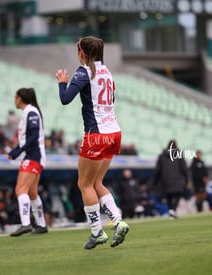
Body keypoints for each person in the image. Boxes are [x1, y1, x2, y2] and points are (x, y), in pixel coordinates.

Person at [56, 36, 129, 249]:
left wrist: (62, 82)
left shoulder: (84, 71)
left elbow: (65, 98)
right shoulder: (106, 71)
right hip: (114, 133)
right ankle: (118, 221)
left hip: (96, 134)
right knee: (97, 183)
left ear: (82, 53)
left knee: (85, 184)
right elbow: (111, 99)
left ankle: (97, 232)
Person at [7, 88, 48, 236]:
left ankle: (25, 224)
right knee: (32, 192)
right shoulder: (30, 112)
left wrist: (18, 151)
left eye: (15, 97)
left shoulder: (31, 112)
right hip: (35, 156)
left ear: (19, 98)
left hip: (33, 156)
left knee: (20, 190)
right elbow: (28, 138)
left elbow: (34, 136)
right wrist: (15, 151)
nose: (14, 100)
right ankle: (42, 225)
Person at [151, 140, 188, 219]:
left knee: (169, 196)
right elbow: (183, 168)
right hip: (177, 179)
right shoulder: (179, 154)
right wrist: (187, 178)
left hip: (165, 180)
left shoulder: (162, 156)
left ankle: (171, 210)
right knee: (178, 194)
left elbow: (158, 170)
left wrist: (154, 182)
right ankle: (173, 210)